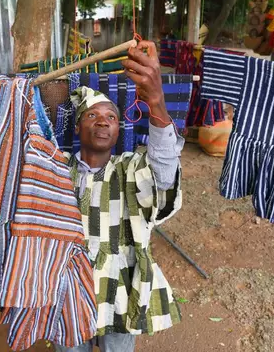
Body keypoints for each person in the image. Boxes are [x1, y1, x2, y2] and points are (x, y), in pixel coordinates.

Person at [56, 41, 184, 352]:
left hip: (122, 287)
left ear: (118, 130)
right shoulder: (56, 171)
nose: (102, 121)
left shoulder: (130, 169)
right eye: (92, 116)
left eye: (111, 117)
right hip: (66, 289)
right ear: (77, 127)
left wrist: (156, 102)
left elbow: (164, 177)